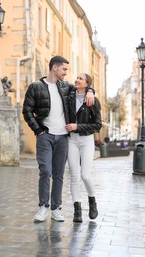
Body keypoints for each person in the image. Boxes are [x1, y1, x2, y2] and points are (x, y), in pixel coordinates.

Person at [22, 56, 95, 222]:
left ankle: (56, 208)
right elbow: (26, 111)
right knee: (45, 170)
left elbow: (84, 88)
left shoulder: (66, 87)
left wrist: (91, 91)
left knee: (59, 174)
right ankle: (43, 207)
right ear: (54, 68)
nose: (66, 73)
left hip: (63, 137)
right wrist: (39, 130)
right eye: (64, 69)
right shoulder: (36, 87)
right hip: (45, 135)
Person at [65, 73, 102, 223]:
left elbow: (97, 125)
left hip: (86, 140)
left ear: (87, 83)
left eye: (81, 78)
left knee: (85, 175)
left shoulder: (93, 101)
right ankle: (77, 211)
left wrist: (77, 126)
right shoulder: (69, 96)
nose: (77, 80)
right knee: (74, 176)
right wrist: (91, 90)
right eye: (77, 77)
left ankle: (92, 203)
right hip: (71, 141)